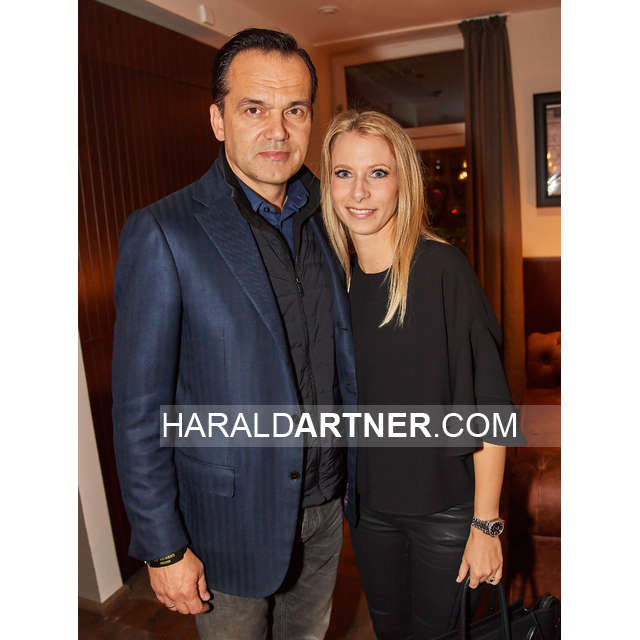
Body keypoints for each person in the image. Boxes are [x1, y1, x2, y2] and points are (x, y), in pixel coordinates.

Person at [112, 29, 356, 640]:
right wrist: (164, 547)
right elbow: (140, 409)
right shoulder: (164, 232)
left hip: (326, 510)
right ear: (218, 119)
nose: (278, 131)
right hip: (227, 525)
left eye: (295, 110)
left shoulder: (334, 215)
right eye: (254, 109)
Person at [320, 110, 511, 639]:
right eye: (343, 173)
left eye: (378, 173)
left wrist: (486, 523)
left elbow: (491, 408)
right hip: (369, 511)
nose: (359, 191)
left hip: (446, 513)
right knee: (389, 631)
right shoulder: (332, 281)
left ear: (403, 181)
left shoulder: (442, 270)